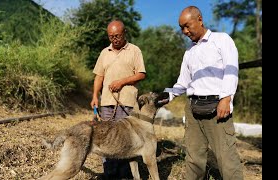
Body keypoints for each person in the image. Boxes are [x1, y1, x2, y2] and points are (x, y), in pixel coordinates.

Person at [156, 6, 244, 180]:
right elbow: (183, 82)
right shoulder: (189, 52)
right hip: (193, 109)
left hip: (217, 108)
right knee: (194, 158)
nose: (184, 31)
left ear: (200, 19)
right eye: (181, 28)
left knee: (226, 158)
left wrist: (226, 99)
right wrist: (168, 94)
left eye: (187, 26)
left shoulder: (221, 40)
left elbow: (231, 70)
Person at [90, 20, 146, 179]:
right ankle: (109, 173)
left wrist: (122, 82)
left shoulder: (134, 50)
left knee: (126, 140)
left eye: (117, 36)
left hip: (127, 103)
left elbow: (141, 74)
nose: (114, 39)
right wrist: (95, 96)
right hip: (107, 103)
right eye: (111, 36)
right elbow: (99, 76)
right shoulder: (104, 52)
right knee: (107, 139)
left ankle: (126, 174)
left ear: (125, 33)